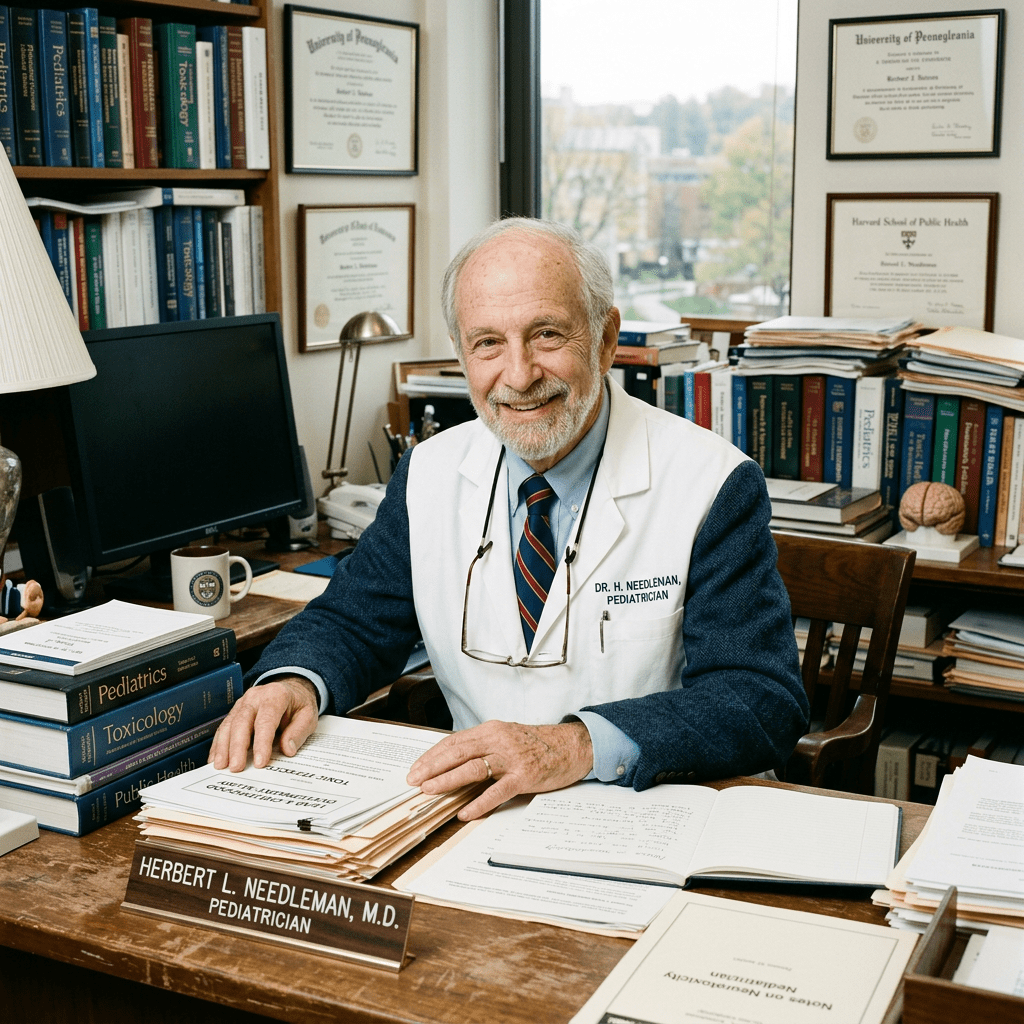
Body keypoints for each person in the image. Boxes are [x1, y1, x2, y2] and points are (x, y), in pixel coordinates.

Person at [210, 217, 808, 819]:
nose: (519, 376)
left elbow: (760, 699)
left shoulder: (710, 483)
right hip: (482, 818)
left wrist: (574, 744)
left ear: (604, 341)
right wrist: (295, 682)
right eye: (488, 343)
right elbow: (354, 622)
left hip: (652, 810)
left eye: (547, 335)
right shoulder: (428, 473)